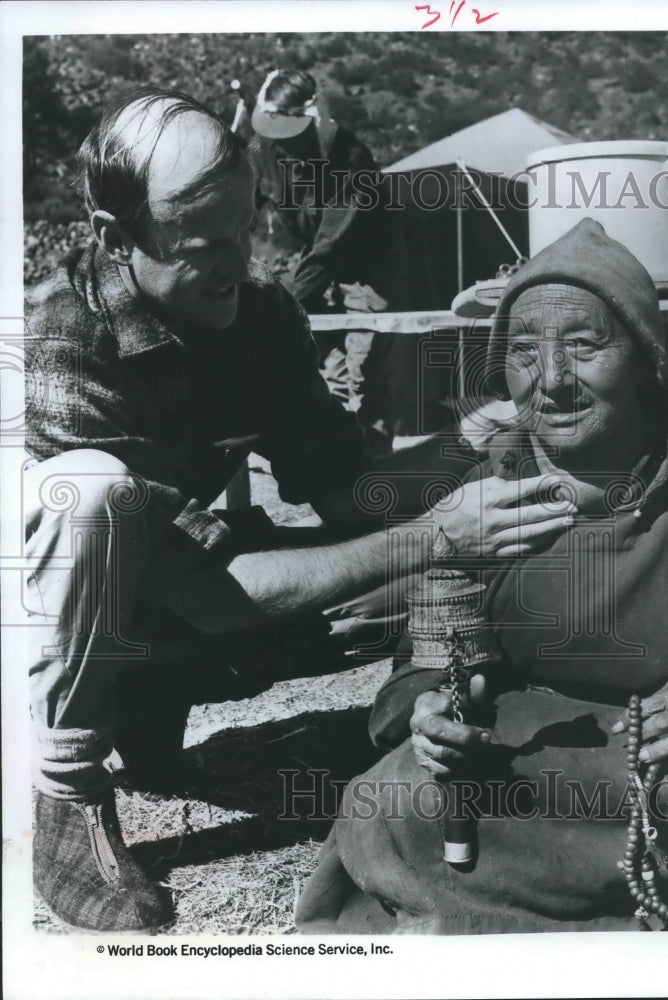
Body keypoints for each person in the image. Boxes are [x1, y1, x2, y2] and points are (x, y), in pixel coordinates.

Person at [23, 87, 572, 933]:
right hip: (47, 610)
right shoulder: (60, 336)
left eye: (248, 230)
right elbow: (209, 595)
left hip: (164, 586)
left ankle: (148, 694)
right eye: (207, 245)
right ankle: (67, 786)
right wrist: (434, 533)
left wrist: (475, 436)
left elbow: (344, 490)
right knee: (92, 494)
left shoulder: (260, 313)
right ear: (114, 238)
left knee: (409, 575)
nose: (239, 262)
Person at [295, 218, 668, 934]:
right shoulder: (482, 500)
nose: (552, 379)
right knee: (399, 800)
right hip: (536, 766)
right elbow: (415, 675)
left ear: (644, 357)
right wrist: (433, 711)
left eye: (584, 345)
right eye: (522, 351)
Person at [236, 68, 408, 454]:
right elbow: (243, 189)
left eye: (291, 136)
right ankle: (342, 443)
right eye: (273, 133)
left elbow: (331, 245)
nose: (281, 147)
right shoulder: (265, 146)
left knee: (367, 367)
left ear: (313, 119)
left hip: (368, 267)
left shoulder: (351, 159)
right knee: (316, 350)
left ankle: (373, 462)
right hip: (315, 254)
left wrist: (283, 299)